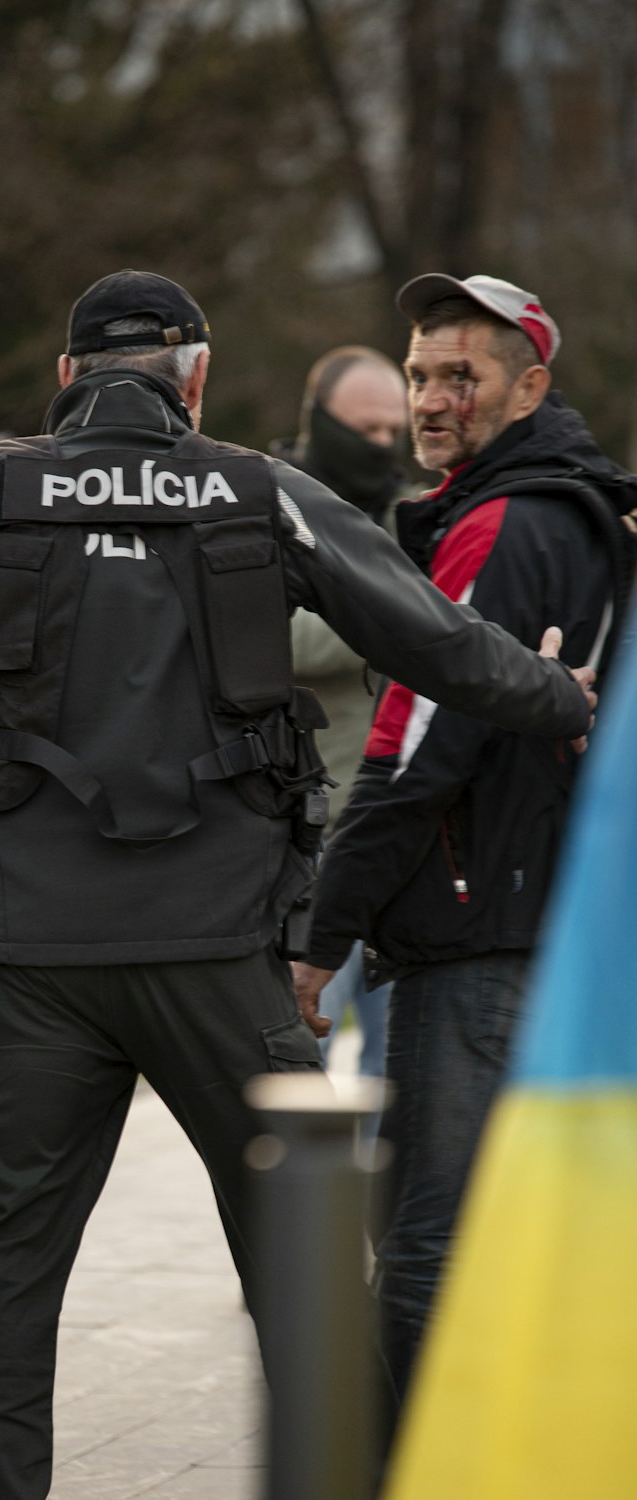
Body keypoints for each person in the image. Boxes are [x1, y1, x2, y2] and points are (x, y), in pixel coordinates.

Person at [0, 269, 593, 1500]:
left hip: (30, 972)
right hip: (223, 964)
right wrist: (563, 696)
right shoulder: (257, 491)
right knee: (308, 1290)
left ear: (66, 380)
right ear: (198, 375)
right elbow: (430, 637)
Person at [295, 273, 633, 1413]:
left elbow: (414, 750)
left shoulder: (508, 518)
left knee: (430, 1253)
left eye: (462, 377)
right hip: (528, 925)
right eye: (420, 372)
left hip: (476, 936)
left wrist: (320, 931)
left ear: (529, 386)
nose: (432, 399)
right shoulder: (564, 502)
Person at [271, 346, 409, 1085]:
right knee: (301, 1056)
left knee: (400, 1074)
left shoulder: (411, 510)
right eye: (366, 429)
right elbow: (266, 637)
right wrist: (396, 612)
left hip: (400, 834)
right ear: (322, 422)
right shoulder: (265, 504)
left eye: (395, 430)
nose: (382, 446)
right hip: (306, 837)